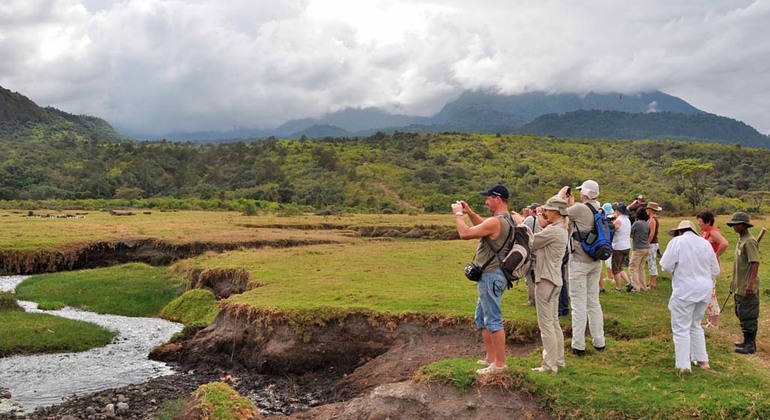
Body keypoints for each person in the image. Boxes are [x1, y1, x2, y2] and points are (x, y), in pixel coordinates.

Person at [452, 183, 512, 374]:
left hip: (490, 275)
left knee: (493, 318)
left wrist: (458, 215)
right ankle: (491, 358)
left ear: (497, 199)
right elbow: (484, 226)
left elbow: (465, 233)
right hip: (496, 275)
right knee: (482, 317)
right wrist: (470, 212)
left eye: (488, 198)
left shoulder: (496, 222)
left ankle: (500, 364)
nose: (486, 202)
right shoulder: (505, 220)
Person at [513, 196, 569, 372]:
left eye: (548, 210)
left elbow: (532, 242)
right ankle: (558, 360)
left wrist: (521, 223)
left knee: (546, 324)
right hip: (555, 280)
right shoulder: (560, 229)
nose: (545, 212)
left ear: (556, 212)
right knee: (553, 322)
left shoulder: (553, 231)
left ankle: (549, 365)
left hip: (545, 279)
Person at [660, 220, 720, 372]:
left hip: (685, 290)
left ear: (680, 231)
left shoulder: (677, 242)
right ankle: (702, 360)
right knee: (695, 325)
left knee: (681, 328)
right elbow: (715, 270)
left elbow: (666, 265)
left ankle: (683, 366)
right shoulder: (705, 243)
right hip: (704, 289)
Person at [559, 180, 606, 356]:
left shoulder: (579, 209)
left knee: (578, 304)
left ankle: (578, 345)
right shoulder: (599, 209)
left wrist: (562, 194)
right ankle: (599, 341)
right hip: (595, 260)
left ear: (584, 193)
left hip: (579, 261)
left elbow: (555, 211)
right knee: (593, 301)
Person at [727, 212, 761, 355]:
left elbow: (755, 262)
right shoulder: (741, 240)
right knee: (741, 312)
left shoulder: (749, 241)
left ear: (743, 225)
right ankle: (746, 340)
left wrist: (751, 283)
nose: (734, 227)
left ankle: (750, 345)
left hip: (747, 285)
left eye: (736, 224)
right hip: (739, 285)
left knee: (749, 315)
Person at [697, 211, 729, 328]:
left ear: (708, 222)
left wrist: (715, 255)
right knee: (707, 292)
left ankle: (714, 322)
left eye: (701, 222)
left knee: (710, 293)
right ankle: (710, 319)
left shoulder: (713, 232)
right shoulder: (705, 232)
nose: (699, 224)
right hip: (704, 266)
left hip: (710, 267)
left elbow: (724, 243)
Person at [522, 203, 543, 306]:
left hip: (532, 251)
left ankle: (532, 300)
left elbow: (522, 229)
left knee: (530, 277)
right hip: (542, 252)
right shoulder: (544, 220)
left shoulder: (530, 219)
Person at [628, 208, 650, 292]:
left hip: (638, 248)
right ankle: (643, 286)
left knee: (632, 267)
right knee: (641, 268)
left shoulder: (636, 224)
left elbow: (630, 232)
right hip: (646, 247)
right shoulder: (646, 224)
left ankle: (636, 287)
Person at [611, 203, 632, 291]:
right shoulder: (627, 220)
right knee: (620, 267)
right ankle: (628, 283)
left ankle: (618, 287)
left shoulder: (619, 220)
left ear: (618, 211)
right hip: (627, 246)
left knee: (615, 268)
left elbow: (613, 229)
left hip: (618, 247)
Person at [645, 202, 663, 289]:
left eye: (648, 209)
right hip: (653, 243)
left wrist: (648, 242)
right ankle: (652, 281)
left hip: (652, 243)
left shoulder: (652, 220)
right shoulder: (653, 219)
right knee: (651, 261)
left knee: (652, 262)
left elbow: (651, 233)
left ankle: (653, 282)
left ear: (651, 210)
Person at [600, 202, 615, 292]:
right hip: (611, 242)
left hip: (609, 242)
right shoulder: (613, 219)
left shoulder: (607, 221)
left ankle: (611, 276)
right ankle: (610, 276)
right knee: (608, 261)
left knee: (609, 261)